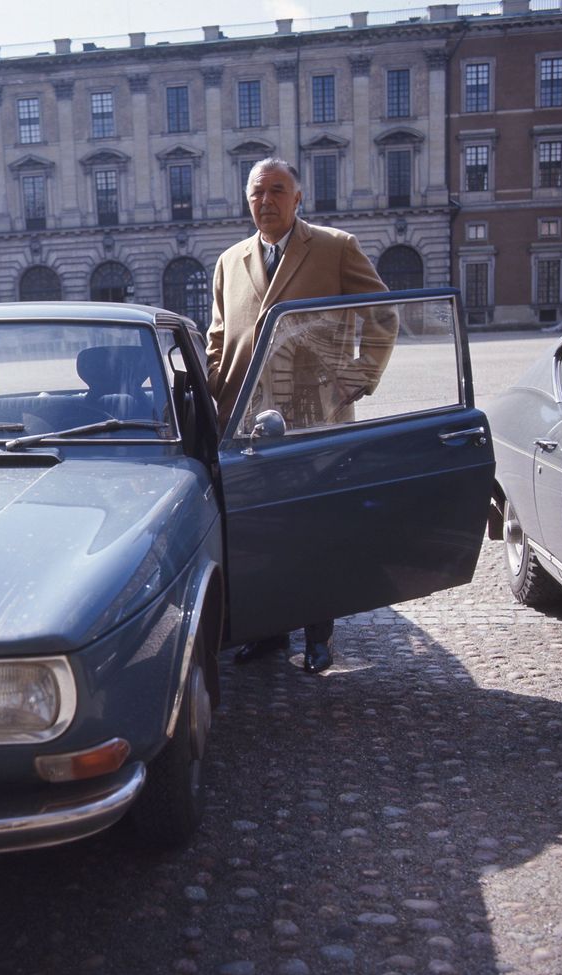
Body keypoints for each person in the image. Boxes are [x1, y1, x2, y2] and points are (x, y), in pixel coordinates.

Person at [206, 156, 396, 674]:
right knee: (261, 529)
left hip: (316, 416)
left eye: (276, 190)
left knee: (316, 528)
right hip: (249, 420)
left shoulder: (334, 248)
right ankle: (269, 632)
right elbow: (219, 341)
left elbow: (383, 313)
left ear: (298, 198)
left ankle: (318, 635)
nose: (265, 201)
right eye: (256, 193)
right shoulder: (230, 260)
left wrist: (354, 379)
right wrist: (212, 404)